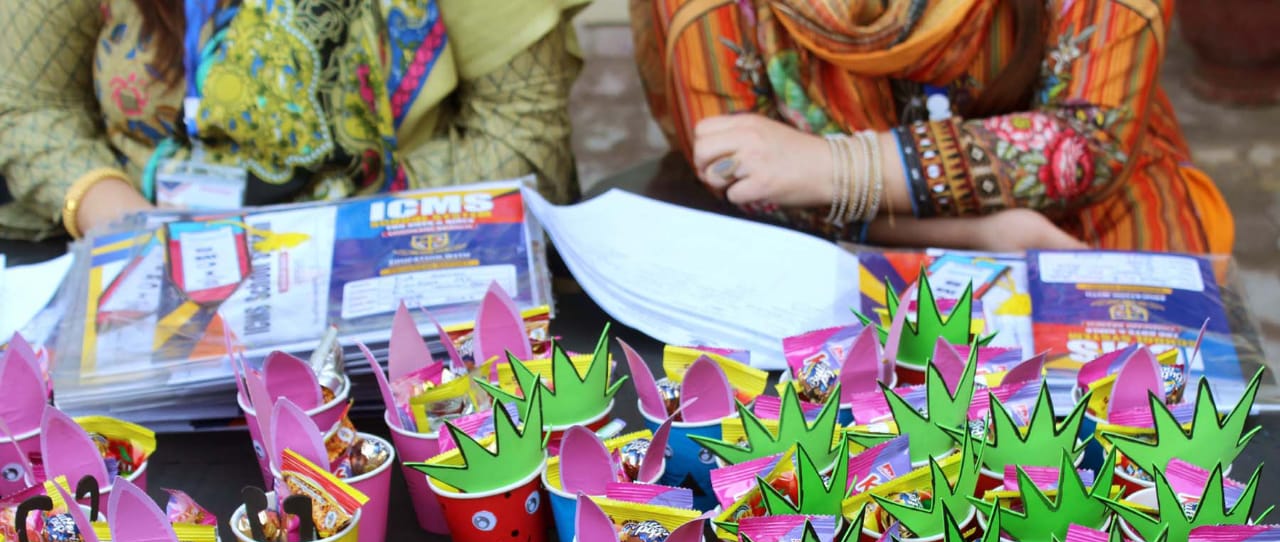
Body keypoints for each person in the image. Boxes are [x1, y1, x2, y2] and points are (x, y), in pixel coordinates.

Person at [630, 0, 1234, 254]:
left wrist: (839, 167)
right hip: (832, 250)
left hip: (1073, 227)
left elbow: (1087, 141)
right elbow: (741, 166)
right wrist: (978, 233)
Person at [0, 0, 589, 241]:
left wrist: (338, 234)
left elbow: (522, 136)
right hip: (150, 245)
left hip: (396, 246)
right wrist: (119, 217)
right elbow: (28, 103)